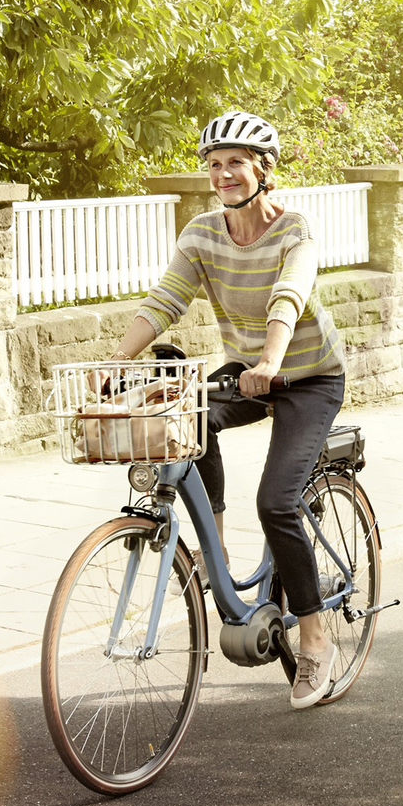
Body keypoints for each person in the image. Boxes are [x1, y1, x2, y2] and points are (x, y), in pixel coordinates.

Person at [108, 111, 347, 709]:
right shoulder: (202, 233)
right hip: (247, 375)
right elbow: (166, 299)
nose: (223, 175)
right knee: (187, 416)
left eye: (235, 162)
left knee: (276, 501)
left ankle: (317, 639)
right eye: (214, 165)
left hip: (307, 375)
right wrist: (116, 360)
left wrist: (269, 361)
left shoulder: (295, 229)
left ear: (263, 169)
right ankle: (212, 543)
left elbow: (287, 295)